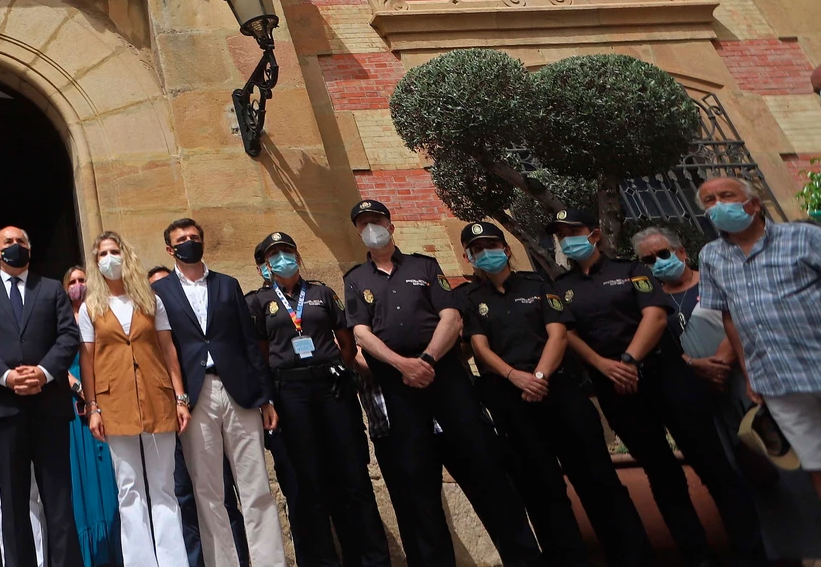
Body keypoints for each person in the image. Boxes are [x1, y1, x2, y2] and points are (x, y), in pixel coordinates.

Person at [550, 202, 764, 567]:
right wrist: (606, 367)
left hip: (665, 375)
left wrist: (629, 360)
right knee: (662, 476)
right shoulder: (560, 287)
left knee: (712, 465)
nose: (567, 241)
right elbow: (565, 333)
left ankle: (750, 554)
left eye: (573, 233)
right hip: (616, 389)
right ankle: (697, 556)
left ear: (594, 235)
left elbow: (655, 315)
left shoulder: (632, 269)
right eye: (561, 236)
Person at [341, 199, 539, 567]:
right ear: (358, 230)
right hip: (397, 383)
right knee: (417, 487)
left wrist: (428, 359)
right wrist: (403, 365)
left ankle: (524, 558)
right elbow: (361, 333)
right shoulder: (355, 279)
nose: (372, 227)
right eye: (364, 222)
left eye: (377, 220)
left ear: (390, 223)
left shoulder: (425, 265)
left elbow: (450, 316)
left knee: (486, 471)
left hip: (444, 375)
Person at [456, 222, 648, 567]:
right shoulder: (469, 299)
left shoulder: (539, 284)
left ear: (507, 248)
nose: (486, 253)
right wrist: (517, 378)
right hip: (510, 396)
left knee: (597, 478)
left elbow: (558, 335)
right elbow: (479, 347)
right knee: (542, 490)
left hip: (557, 388)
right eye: (477, 249)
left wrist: (540, 376)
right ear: (468, 257)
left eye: (491, 245)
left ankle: (631, 555)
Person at [243, 232, 387, 567]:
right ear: (265, 263)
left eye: (286, 252)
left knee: (352, 475)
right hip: (291, 394)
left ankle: (370, 558)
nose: (282, 259)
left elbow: (346, 339)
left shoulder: (322, 292)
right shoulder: (258, 302)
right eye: (274, 254)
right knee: (306, 481)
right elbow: (261, 353)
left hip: (332, 389)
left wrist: (341, 366)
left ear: (296, 254)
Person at [148, 219, 279, 567]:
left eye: (194, 237)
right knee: (208, 492)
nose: (189, 242)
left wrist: (265, 396)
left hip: (239, 391)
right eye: (181, 239)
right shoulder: (160, 294)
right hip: (194, 395)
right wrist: (173, 401)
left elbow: (250, 342)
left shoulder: (227, 284)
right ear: (169, 249)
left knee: (256, 486)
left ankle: (269, 562)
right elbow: (162, 351)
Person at [0, 225, 82, 567]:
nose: (15, 247)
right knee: (12, 504)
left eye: (21, 242)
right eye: (8, 242)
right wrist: (7, 376)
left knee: (58, 499)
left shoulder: (50, 290)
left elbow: (67, 337)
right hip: (5, 407)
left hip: (50, 406)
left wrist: (42, 373)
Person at [697, 176, 821, 501]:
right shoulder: (710, 256)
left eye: (726, 195)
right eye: (710, 201)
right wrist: (749, 370)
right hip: (776, 376)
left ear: (753, 203)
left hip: (816, 358)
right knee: (816, 463)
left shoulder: (803, 237)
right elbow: (729, 316)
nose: (718, 204)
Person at [78, 232, 190, 567]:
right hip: (114, 403)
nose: (109, 258)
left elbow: (168, 349)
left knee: (163, 486)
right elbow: (87, 360)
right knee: (129, 489)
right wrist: (93, 407)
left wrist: (180, 397)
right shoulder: (90, 307)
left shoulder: (150, 300)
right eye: (103, 254)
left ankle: (173, 561)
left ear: (126, 256)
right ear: (96, 262)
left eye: (115, 252)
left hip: (157, 397)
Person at [56, 265, 121, 567]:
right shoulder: (58, 323)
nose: (78, 285)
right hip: (75, 407)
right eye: (73, 281)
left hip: (108, 403)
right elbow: (55, 364)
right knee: (82, 483)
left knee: (113, 476)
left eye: (83, 280)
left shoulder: (101, 316)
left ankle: (119, 549)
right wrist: (80, 387)